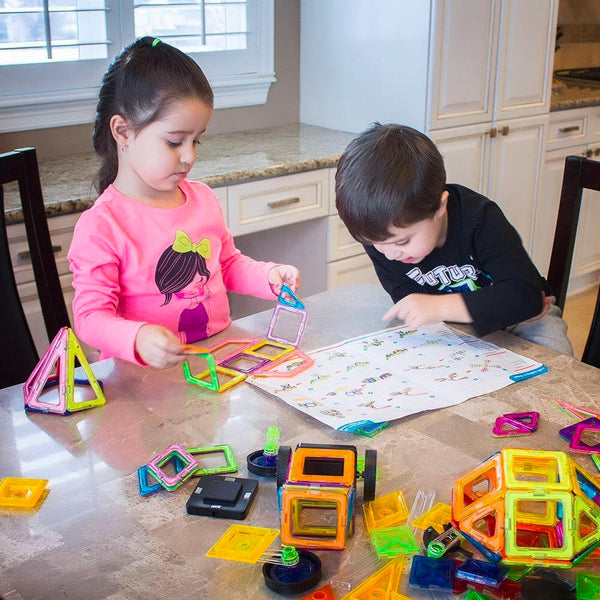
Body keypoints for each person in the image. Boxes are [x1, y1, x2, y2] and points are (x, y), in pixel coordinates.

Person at [68, 37, 300, 369]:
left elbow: (227, 265)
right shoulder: (102, 226)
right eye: (175, 142)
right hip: (141, 384)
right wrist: (137, 337)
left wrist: (270, 276)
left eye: (197, 140)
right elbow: (90, 319)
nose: (189, 156)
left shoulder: (202, 198)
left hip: (215, 362)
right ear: (122, 131)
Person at [335, 123, 573, 356]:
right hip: (453, 323)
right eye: (375, 244)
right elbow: (408, 300)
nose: (389, 254)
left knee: (556, 366)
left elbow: (526, 298)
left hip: (525, 320)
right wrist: (437, 312)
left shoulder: (479, 218)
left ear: (440, 206)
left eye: (402, 242)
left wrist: (441, 307)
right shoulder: (382, 236)